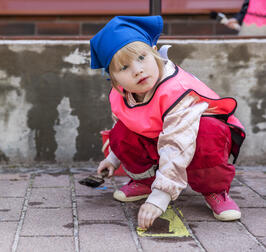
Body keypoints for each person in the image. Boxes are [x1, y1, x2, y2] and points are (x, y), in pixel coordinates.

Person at [90, 16, 246, 230]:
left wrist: (160, 197)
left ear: (154, 51)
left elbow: (177, 143)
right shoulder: (121, 94)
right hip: (164, 139)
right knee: (121, 131)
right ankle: (146, 181)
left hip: (198, 139)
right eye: (124, 67)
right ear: (114, 79)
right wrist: (113, 159)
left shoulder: (177, 90)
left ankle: (214, 189)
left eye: (142, 57)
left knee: (208, 132)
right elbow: (131, 124)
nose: (137, 70)